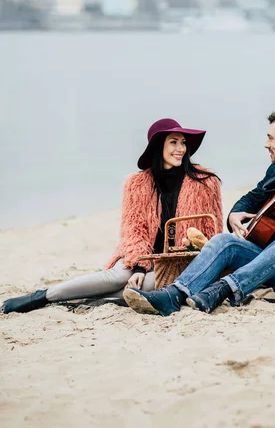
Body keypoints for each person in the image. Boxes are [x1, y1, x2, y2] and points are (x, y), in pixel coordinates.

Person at [122, 107, 275, 317]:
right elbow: (249, 199)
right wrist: (235, 214)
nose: (266, 144)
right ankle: (174, 295)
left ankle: (224, 289)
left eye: (270, 138)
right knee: (224, 240)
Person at [2, 118, 223, 314]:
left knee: (144, 286)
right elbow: (133, 232)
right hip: (139, 255)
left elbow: (213, 233)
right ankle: (43, 296)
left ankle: (79, 301)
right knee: (119, 277)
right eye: (173, 142)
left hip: (177, 262)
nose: (181, 148)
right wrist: (138, 266)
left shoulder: (205, 182)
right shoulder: (137, 184)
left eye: (183, 142)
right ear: (159, 147)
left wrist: (192, 246)